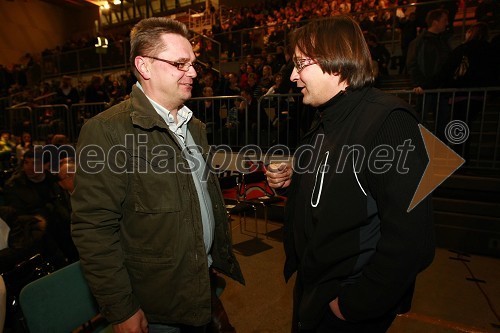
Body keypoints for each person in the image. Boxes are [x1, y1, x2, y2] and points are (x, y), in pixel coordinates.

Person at [71, 17, 243, 333]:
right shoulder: (107, 131)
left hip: (201, 282)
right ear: (145, 66)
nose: (192, 72)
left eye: (192, 63)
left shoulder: (194, 127)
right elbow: (93, 229)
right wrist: (122, 309)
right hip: (157, 305)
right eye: (180, 63)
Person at [266, 16, 434, 333]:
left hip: (345, 304)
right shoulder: (325, 120)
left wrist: (356, 304)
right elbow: (339, 194)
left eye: (301, 64)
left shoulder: (390, 123)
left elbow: (414, 241)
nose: (292, 76)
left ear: (338, 65)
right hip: (314, 289)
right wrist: (295, 181)